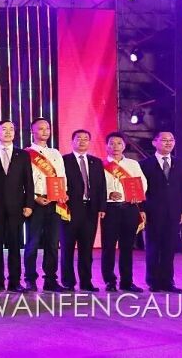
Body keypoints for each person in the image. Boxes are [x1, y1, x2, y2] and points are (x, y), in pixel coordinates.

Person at [0, 120, 34, 293]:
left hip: (16, 207)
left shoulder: (23, 155)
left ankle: (15, 281)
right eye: (4, 129)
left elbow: (29, 181)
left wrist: (29, 204)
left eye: (11, 129)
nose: (8, 132)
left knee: (14, 245)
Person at [23, 118, 68, 292]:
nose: (45, 131)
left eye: (47, 128)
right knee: (32, 243)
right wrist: (34, 197)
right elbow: (23, 181)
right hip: (35, 203)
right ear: (32, 131)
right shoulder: (26, 154)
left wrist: (62, 193)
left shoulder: (55, 153)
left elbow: (62, 177)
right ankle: (30, 279)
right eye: (40, 128)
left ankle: (50, 280)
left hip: (54, 202)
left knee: (52, 243)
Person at [139, 131, 182, 293]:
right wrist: (142, 209)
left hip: (174, 212)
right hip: (152, 211)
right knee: (153, 246)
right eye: (164, 140)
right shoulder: (144, 164)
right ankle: (153, 281)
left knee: (169, 247)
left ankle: (168, 282)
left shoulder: (180, 164)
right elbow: (141, 190)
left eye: (171, 140)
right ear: (155, 142)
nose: (168, 143)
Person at [60, 129, 107, 292]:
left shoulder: (96, 162)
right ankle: (68, 282)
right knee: (67, 247)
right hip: (70, 210)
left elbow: (102, 187)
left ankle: (86, 282)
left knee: (86, 249)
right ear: (72, 141)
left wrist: (102, 207)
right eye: (78, 138)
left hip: (90, 210)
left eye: (85, 138)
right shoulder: (64, 160)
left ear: (89, 142)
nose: (82, 141)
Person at [100, 132, 148, 293]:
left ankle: (127, 281)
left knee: (127, 247)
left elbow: (143, 184)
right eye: (111, 143)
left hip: (129, 208)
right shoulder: (100, 165)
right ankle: (109, 281)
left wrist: (136, 195)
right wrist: (109, 194)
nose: (115, 147)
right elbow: (96, 187)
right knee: (108, 246)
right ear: (106, 146)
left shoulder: (133, 164)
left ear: (124, 146)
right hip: (110, 209)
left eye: (119, 143)